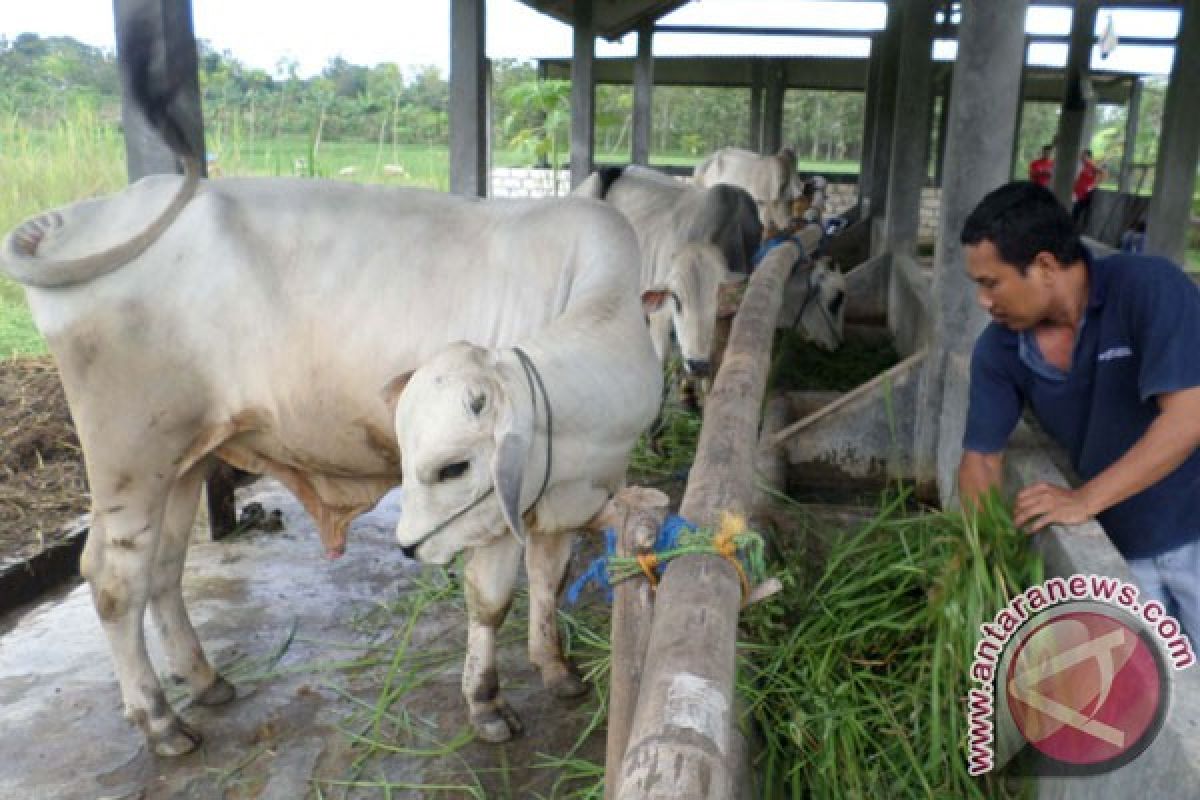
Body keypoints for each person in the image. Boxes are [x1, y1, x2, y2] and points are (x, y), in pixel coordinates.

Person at [957, 181, 1200, 638]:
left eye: (991, 283)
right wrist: (975, 552)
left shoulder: (1147, 289)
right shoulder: (1000, 349)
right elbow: (982, 459)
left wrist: (1082, 499)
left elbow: (1189, 417)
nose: (983, 301)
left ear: (1045, 266)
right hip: (1122, 547)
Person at [1071, 148, 1105, 228]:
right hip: (1079, 193)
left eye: (1083, 155)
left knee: (1078, 212)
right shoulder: (1083, 166)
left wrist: (1092, 186)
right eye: (1081, 155)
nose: (1081, 157)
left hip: (1086, 194)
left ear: (1088, 156)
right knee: (1076, 213)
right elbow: (1078, 180)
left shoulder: (1092, 165)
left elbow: (1103, 174)